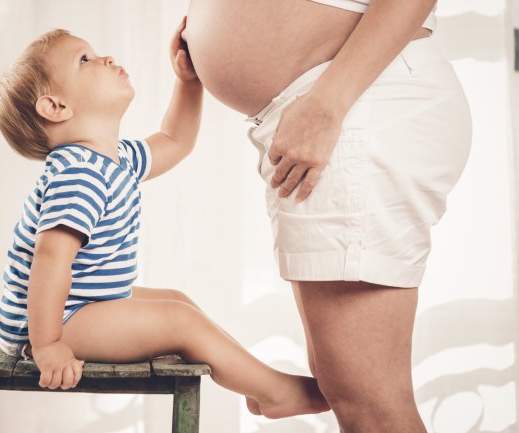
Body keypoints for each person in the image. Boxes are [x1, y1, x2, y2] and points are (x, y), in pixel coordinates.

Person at [0, 22, 330, 418]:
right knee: (178, 320)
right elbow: (49, 263)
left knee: (178, 301)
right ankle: (273, 391)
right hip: (53, 321)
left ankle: (255, 385)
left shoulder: (115, 158)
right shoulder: (78, 175)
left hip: (79, 305)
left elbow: (174, 140)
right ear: (55, 107)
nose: (106, 58)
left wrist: (188, 81)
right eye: (84, 59)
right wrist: (48, 346)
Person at [182, 0, 472, 432]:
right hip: (329, 106)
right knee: (349, 389)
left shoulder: (333, 104)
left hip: (349, 102)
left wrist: (327, 104)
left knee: (373, 404)